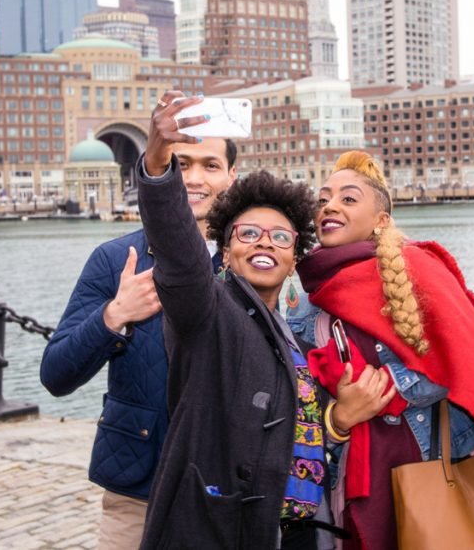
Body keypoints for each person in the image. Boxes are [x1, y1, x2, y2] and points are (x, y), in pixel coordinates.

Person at [290, 150, 474, 550]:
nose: (329, 206)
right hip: (354, 479)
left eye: (348, 199)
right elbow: (303, 403)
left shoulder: (417, 267)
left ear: (381, 220)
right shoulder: (306, 302)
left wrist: (387, 389)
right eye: (324, 199)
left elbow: (469, 360)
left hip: (434, 459)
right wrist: (340, 417)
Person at [136, 92, 340, 550]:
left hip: (300, 533)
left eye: (280, 237)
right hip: (224, 527)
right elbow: (178, 250)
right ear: (225, 251)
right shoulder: (207, 311)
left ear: (293, 258)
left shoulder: (297, 336)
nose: (264, 243)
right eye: (248, 234)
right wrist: (156, 163)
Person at [39, 129, 237, 549]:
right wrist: (116, 314)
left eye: (210, 165)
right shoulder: (114, 260)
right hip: (138, 484)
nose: (193, 178)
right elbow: (56, 375)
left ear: (232, 176)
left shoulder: (256, 261)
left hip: (229, 487)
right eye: (180, 165)